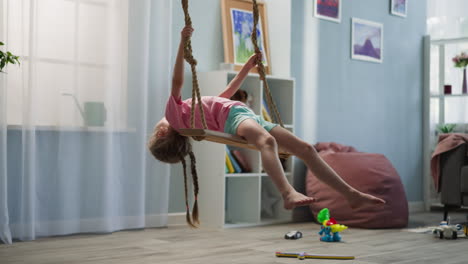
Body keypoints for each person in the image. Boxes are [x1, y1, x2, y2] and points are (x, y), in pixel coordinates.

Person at [148, 26, 385, 227]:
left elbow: (225, 95)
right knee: (267, 143)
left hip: (245, 115)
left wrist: (246, 68)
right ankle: (287, 192)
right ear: (162, 132)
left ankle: (350, 194)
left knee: (306, 149)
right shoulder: (174, 117)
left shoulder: (189, 119)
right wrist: (182, 43)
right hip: (235, 118)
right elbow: (177, 81)